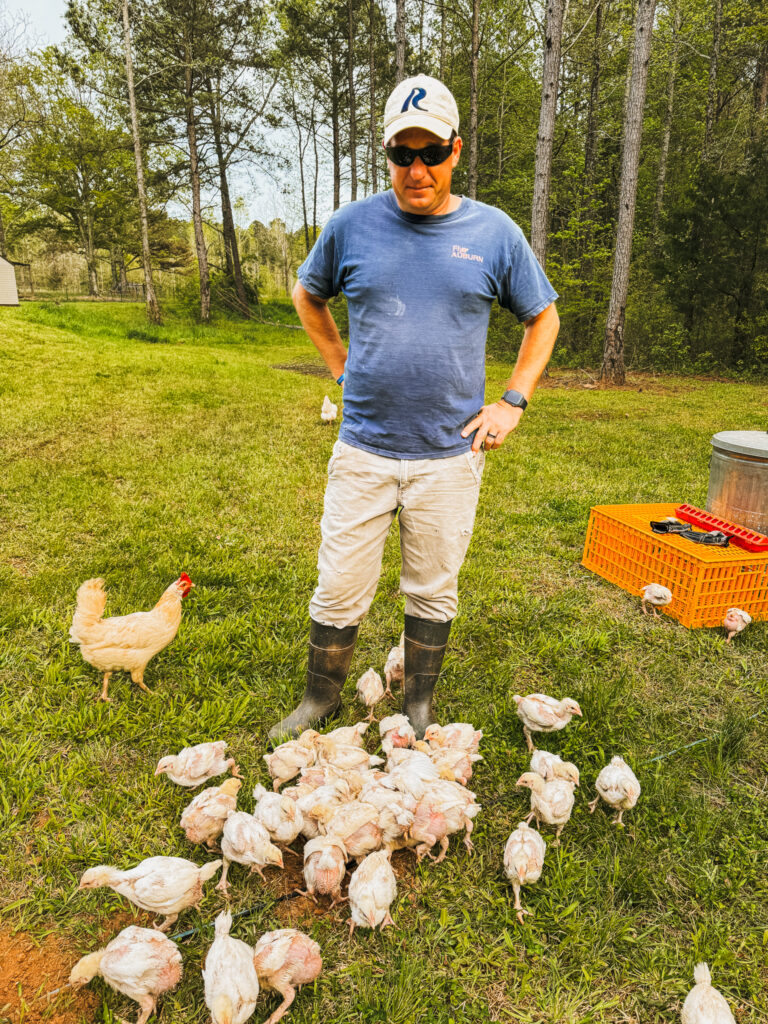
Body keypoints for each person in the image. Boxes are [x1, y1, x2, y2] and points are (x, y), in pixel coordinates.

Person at [269, 73, 560, 743]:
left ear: (456, 150)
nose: (417, 168)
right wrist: (340, 367)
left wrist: (513, 401)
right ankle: (319, 701)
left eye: (431, 152)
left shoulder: (495, 234)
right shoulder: (352, 226)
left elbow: (542, 317)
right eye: (403, 154)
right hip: (365, 447)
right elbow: (306, 294)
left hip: (449, 455)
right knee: (339, 585)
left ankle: (419, 706)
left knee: (432, 589)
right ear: (388, 156)